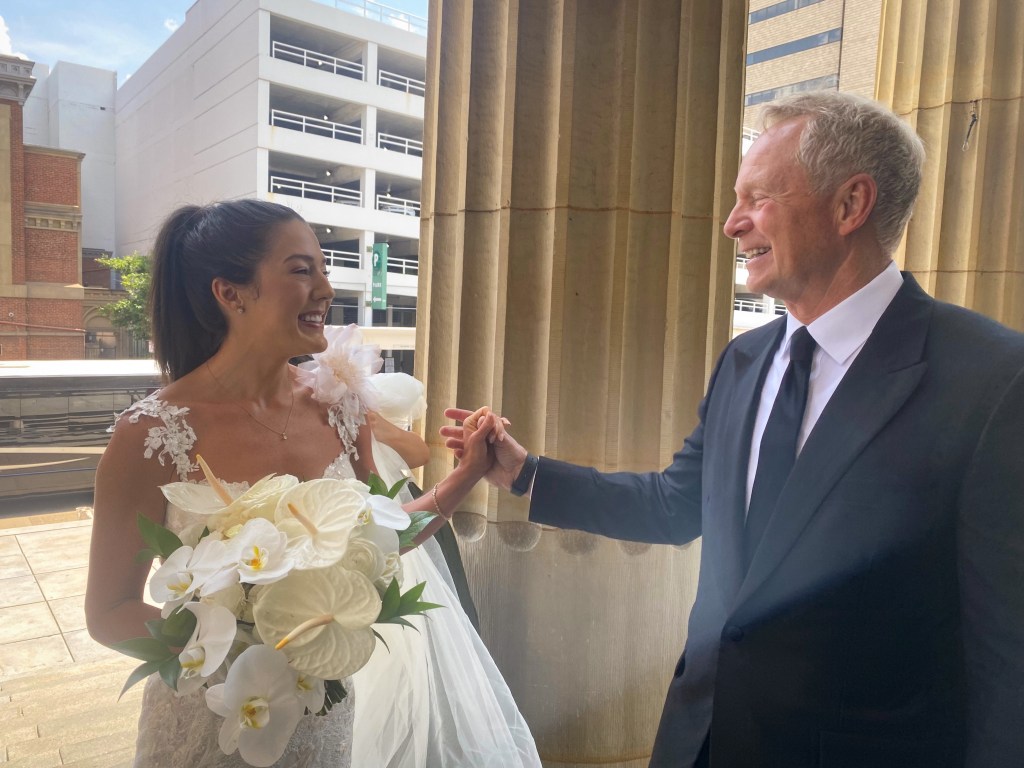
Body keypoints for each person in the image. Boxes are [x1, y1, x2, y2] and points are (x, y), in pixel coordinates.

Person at [444, 91, 1024, 767]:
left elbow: (1006, 649)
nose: (730, 224)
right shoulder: (745, 359)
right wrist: (524, 473)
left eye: (757, 198)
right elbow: (676, 504)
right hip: (700, 741)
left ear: (850, 205)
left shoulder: (992, 378)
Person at [84, 199, 541, 767]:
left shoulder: (339, 406)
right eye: (302, 270)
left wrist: (469, 471)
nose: (326, 289)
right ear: (231, 294)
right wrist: (235, 648)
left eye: (324, 270)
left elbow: (384, 538)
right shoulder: (150, 435)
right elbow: (109, 611)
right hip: (212, 719)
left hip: (322, 710)